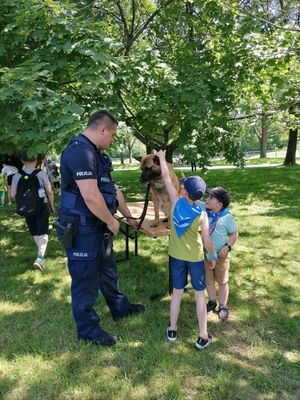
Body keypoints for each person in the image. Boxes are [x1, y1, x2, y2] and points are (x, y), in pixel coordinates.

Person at [57, 109, 145, 347]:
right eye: (113, 135)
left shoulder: (96, 154)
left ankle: (120, 308)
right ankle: (88, 330)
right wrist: (111, 220)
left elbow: (113, 191)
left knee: (108, 271)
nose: (113, 140)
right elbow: (91, 196)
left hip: (98, 228)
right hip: (82, 228)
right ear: (102, 129)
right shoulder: (80, 152)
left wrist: (128, 217)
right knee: (85, 281)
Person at [157, 150, 217, 350]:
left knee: (177, 292)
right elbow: (207, 240)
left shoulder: (175, 202)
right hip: (195, 258)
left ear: (183, 191)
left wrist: (162, 159)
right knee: (200, 295)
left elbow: (166, 178)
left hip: (176, 257)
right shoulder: (202, 213)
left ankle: (172, 329)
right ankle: (203, 336)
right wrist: (212, 256)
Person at [10, 153, 55, 271]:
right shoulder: (41, 173)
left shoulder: (17, 176)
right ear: (36, 160)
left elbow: (13, 195)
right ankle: (40, 257)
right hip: (42, 205)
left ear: (21, 160)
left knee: (34, 230)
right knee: (43, 230)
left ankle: (40, 255)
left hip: (26, 207)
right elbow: (49, 191)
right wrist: (52, 207)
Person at [204, 187, 238, 321]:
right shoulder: (205, 212)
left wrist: (228, 246)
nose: (207, 199)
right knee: (209, 280)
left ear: (219, 204)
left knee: (222, 281)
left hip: (221, 257)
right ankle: (212, 301)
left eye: (211, 198)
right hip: (206, 255)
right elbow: (194, 198)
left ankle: (223, 305)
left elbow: (235, 233)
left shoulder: (226, 217)